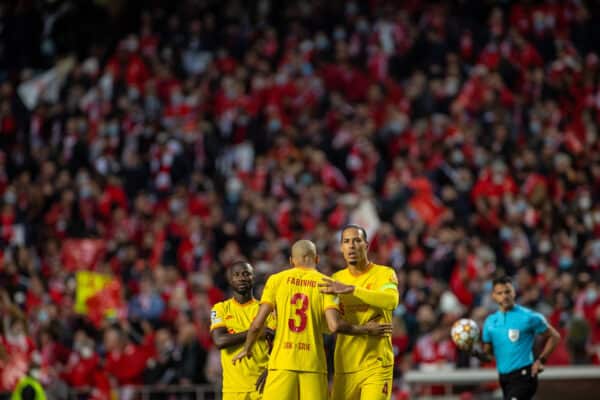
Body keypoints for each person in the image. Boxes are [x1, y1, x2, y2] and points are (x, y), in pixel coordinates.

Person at [232, 240, 392, 400]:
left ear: (291, 261)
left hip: (281, 364)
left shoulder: (276, 280)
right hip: (313, 365)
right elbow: (334, 325)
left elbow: (257, 324)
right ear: (317, 259)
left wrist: (247, 348)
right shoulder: (326, 284)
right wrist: (366, 329)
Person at [319, 224, 399, 400]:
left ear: (366, 246)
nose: (352, 245)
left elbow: (391, 301)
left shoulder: (384, 273)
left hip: (377, 364)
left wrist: (352, 290)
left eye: (357, 240)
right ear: (341, 248)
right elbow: (332, 324)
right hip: (345, 366)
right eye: (346, 241)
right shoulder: (335, 280)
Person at [474, 276, 561, 400]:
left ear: (514, 292)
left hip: (524, 376)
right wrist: (475, 353)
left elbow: (554, 336)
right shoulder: (490, 322)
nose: (504, 296)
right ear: (493, 296)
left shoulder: (529, 317)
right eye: (500, 293)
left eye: (507, 291)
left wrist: (541, 360)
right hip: (504, 379)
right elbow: (488, 356)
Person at [210, 261, 276, 400]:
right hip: (233, 390)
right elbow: (219, 341)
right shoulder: (219, 309)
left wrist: (272, 369)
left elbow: (279, 345)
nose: (241, 278)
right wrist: (257, 332)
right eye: (237, 274)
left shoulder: (266, 310)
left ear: (253, 278)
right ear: (230, 279)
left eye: (246, 274)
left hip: (263, 387)